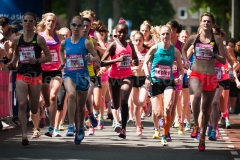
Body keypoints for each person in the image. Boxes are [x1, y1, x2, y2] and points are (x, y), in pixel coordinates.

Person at [182, 12, 226, 151]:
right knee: (197, 95)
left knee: (206, 110)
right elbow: (183, 49)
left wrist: (213, 55)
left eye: (209, 21)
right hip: (196, 73)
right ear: (201, 23)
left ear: (212, 24)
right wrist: (185, 61)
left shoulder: (217, 39)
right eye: (204, 21)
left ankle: (202, 138)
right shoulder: (194, 38)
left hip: (211, 76)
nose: (206, 23)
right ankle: (195, 124)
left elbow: (223, 60)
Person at [8, 12, 51, 146]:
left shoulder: (39, 39)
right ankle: (24, 135)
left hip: (35, 75)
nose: (27, 23)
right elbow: (16, 55)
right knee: (21, 104)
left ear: (35, 23)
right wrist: (12, 63)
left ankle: (37, 121)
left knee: (33, 108)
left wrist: (37, 60)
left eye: (30, 21)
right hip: (22, 74)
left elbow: (48, 57)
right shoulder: (17, 40)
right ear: (22, 23)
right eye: (25, 20)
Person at [59, 15, 99, 144]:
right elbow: (60, 50)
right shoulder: (65, 42)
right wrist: (63, 61)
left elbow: (97, 57)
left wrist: (90, 59)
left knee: (81, 108)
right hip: (69, 74)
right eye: (74, 25)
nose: (76, 27)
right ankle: (71, 126)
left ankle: (80, 129)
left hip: (83, 76)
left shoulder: (86, 42)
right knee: (71, 95)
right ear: (70, 26)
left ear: (82, 28)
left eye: (79, 25)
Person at [143, 25, 183, 146]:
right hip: (155, 81)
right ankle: (158, 128)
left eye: (167, 34)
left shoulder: (175, 51)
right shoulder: (155, 48)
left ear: (171, 35)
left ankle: (165, 134)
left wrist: (180, 77)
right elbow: (145, 63)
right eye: (163, 34)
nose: (165, 36)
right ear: (160, 36)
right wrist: (147, 77)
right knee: (158, 112)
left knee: (168, 106)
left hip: (168, 82)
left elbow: (181, 69)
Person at [100, 18, 138, 139]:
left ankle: (123, 129)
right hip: (114, 78)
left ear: (127, 32)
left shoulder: (130, 45)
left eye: (124, 32)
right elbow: (102, 62)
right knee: (116, 105)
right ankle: (113, 106)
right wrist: (117, 60)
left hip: (127, 76)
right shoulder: (113, 45)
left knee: (124, 100)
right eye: (119, 32)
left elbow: (136, 59)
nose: (121, 34)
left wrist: (133, 61)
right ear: (116, 32)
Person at [37, 13, 63, 137]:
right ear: (45, 22)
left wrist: (63, 63)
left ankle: (52, 127)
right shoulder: (39, 36)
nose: (51, 23)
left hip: (56, 70)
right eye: (49, 21)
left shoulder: (58, 36)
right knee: (48, 102)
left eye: (53, 21)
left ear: (55, 23)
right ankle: (48, 109)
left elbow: (63, 51)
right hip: (43, 71)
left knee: (53, 97)